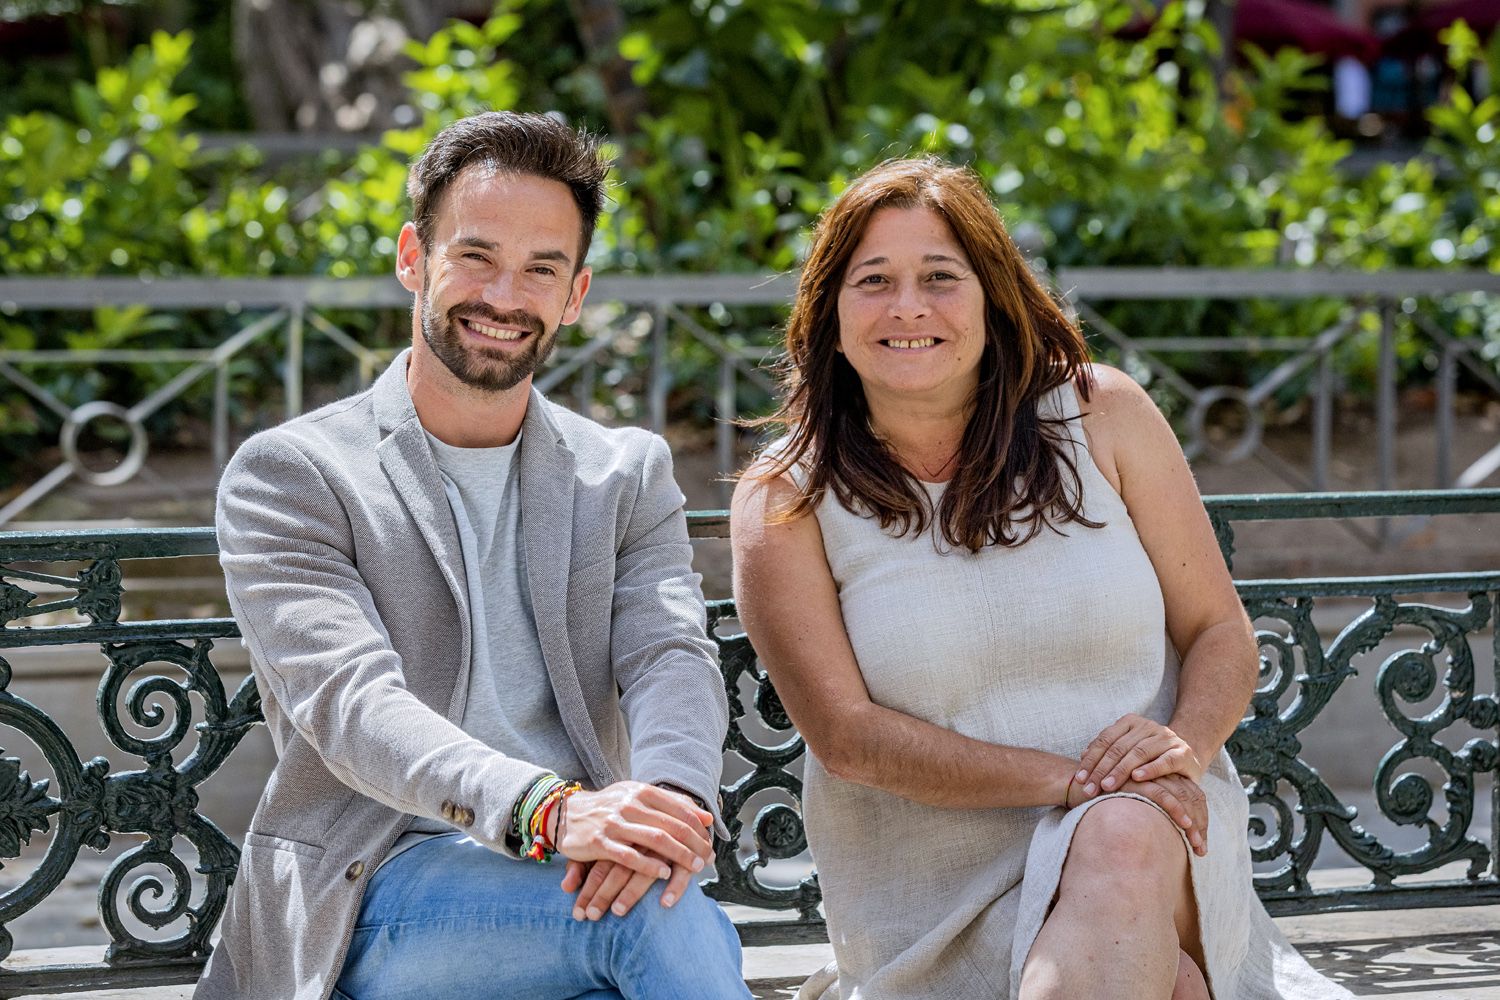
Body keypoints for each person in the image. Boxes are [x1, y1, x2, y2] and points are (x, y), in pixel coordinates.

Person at [729, 157, 1353, 1000]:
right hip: (937, 894)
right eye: (873, 280)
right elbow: (848, 738)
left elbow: (1219, 631)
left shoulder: (1104, 416)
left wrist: (1183, 748)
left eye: (940, 277)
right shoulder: (788, 497)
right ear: (829, 318)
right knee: (1155, 970)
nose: (908, 306)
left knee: (1121, 837)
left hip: (1157, 830)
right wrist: (1070, 782)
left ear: (993, 300)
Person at [200, 111, 752, 1000]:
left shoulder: (623, 473)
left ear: (575, 295)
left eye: (542, 269)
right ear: (413, 258)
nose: (505, 296)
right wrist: (548, 811)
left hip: (575, 875)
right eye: (477, 256)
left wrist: (671, 806)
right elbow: (352, 706)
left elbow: (669, 653)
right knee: (654, 920)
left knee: (652, 914)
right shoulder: (295, 474)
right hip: (369, 887)